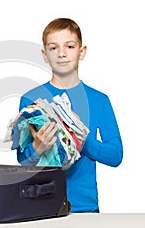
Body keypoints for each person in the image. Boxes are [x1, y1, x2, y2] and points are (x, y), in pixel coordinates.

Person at [17, 18, 123, 212]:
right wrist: (37, 148)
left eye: (70, 46)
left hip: (84, 207)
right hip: (40, 207)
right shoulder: (29, 99)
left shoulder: (100, 100)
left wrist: (80, 137)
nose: (62, 53)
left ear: (81, 52)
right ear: (44, 55)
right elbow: (22, 160)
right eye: (53, 48)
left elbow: (115, 156)